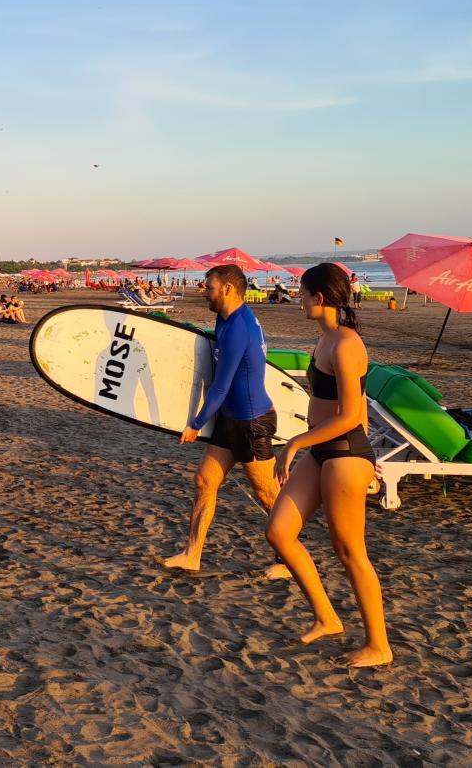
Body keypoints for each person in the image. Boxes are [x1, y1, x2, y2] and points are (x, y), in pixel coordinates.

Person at [265, 262, 391, 668]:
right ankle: (326, 617)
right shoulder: (325, 340)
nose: (298, 301)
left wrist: (297, 443)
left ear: (319, 298)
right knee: (279, 531)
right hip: (324, 450)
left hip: (344, 453)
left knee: (350, 551)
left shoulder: (346, 344)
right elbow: (354, 406)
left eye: (302, 294)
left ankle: (378, 646)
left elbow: (351, 414)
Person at [168, 264, 284, 575]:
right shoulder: (225, 318)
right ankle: (192, 554)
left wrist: (195, 424)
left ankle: (288, 560)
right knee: (204, 481)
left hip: (251, 421)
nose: (204, 292)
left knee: (268, 494)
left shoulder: (239, 328)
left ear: (228, 289)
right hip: (230, 419)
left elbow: (221, 385)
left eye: (209, 287)